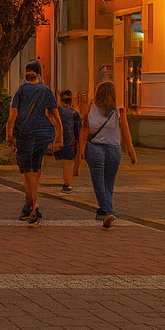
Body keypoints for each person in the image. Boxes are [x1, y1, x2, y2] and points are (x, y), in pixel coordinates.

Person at [5, 60, 63, 225]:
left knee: (26, 170)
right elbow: (55, 115)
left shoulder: (22, 91)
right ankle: (29, 203)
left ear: (26, 73)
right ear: (39, 73)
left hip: (25, 133)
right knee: (36, 168)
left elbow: (13, 115)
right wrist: (60, 135)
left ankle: (34, 205)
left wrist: (9, 132)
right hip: (44, 134)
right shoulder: (47, 91)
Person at [82, 81, 137, 228]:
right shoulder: (119, 111)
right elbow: (126, 134)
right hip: (114, 149)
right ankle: (107, 210)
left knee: (99, 182)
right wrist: (132, 153)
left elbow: (84, 130)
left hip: (95, 149)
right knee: (108, 182)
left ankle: (105, 211)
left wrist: (81, 151)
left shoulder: (90, 109)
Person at [56, 90, 82, 192]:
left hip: (54, 142)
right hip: (68, 142)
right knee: (67, 164)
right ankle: (67, 184)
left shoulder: (56, 111)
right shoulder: (73, 113)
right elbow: (78, 130)